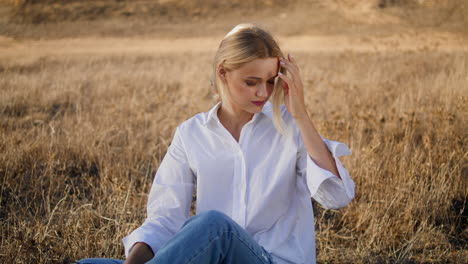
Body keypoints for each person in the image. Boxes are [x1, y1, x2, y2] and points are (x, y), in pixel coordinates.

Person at [76, 23, 354, 264]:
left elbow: (337, 196)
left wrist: (301, 114)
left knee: (215, 225)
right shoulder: (191, 134)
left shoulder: (290, 125)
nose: (264, 92)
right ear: (223, 72)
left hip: (274, 260)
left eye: (270, 82)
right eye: (252, 81)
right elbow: (164, 219)